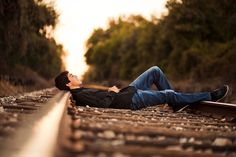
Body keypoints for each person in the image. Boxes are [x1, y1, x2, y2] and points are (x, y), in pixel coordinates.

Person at [54, 66, 229, 112]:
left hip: (127, 92)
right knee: (167, 94)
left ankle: (175, 102)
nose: (75, 75)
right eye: (72, 75)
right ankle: (210, 96)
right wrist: (111, 92)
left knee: (155, 71)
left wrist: (114, 91)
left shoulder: (80, 90)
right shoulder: (81, 95)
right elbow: (105, 104)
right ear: (69, 84)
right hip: (130, 100)